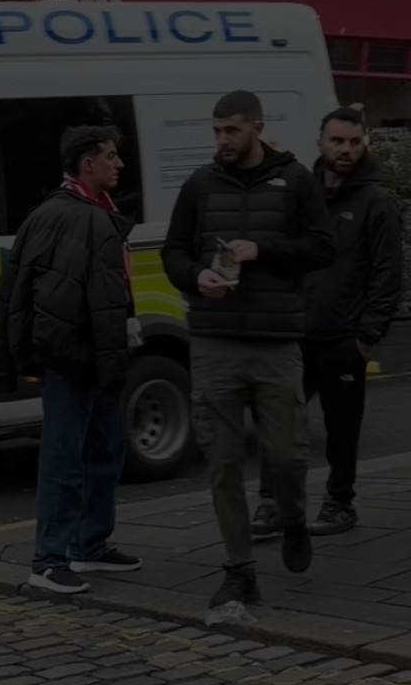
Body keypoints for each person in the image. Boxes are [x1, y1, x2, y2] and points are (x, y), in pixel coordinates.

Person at [160, 90, 335, 609]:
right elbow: (174, 252)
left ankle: (292, 518)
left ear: (257, 128)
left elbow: (323, 247)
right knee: (222, 460)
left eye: (232, 130)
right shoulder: (200, 184)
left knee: (287, 454)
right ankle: (240, 569)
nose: (223, 140)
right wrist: (197, 276)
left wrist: (264, 249)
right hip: (214, 341)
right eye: (217, 131)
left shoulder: (295, 181)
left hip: (276, 341)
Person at [0, 124, 139, 595]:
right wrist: (69, 353)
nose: (119, 164)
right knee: (65, 460)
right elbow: (52, 296)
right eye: (111, 156)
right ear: (87, 164)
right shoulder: (70, 216)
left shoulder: (93, 211)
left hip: (94, 356)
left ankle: (88, 546)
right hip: (75, 360)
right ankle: (49, 561)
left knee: (104, 452)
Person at [252, 107, 402, 538]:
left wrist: (367, 337)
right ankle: (272, 504)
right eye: (337, 141)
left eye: (354, 142)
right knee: (279, 423)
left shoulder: (376, 204)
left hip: (343, 339)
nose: (345, 150)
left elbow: (387, 274)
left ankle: (339, 503)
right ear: (320, 143)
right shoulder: (303, 196)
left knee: (341, 429)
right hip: (293, 334)